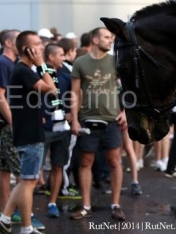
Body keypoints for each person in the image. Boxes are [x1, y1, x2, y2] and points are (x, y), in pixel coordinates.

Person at [0, 30, 56, 234]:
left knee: (26, 180)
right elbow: (51, 89)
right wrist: (41, 65)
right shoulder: (24, 70)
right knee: (28, 181)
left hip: (28, 130)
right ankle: (22, 226)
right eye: (37, 44)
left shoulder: (23, 70)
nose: (41, 47)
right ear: (26, 49)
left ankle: (11, 220)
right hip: (29, 133)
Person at [69, 27, 126, 221]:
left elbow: (127, 87)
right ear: (95, 39)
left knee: (114, 162)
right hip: (87, 120)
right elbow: (75, 93)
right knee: (85, 162)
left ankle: (116, 205)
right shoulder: (80, 62)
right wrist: (75, 120)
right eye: (107, 37)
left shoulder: (116, 61)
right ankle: (86, 206)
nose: (111, 41)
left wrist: (126, 112)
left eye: (112, 38)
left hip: (111, 121)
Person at [0, 29, 21, 212]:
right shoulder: (2, 63)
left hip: (9, 122)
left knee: (4, 168)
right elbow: (0, 96)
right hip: (8, 123)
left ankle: (5, 211)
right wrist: (13, 123)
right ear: (8, 43)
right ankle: (23, 214)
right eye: (19, 40)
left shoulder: (11, 63)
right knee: (21, 172)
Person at [41, 44, 72, 218]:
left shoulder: (66, 76)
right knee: (34, 168)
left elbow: (71, 97)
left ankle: (53, 202)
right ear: (51, 57)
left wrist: (70, 114)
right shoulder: (38, 74)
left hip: (62, 130)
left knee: (58, 165)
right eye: (61, 54)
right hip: (44, 129)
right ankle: (23, 206)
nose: (64, 57)